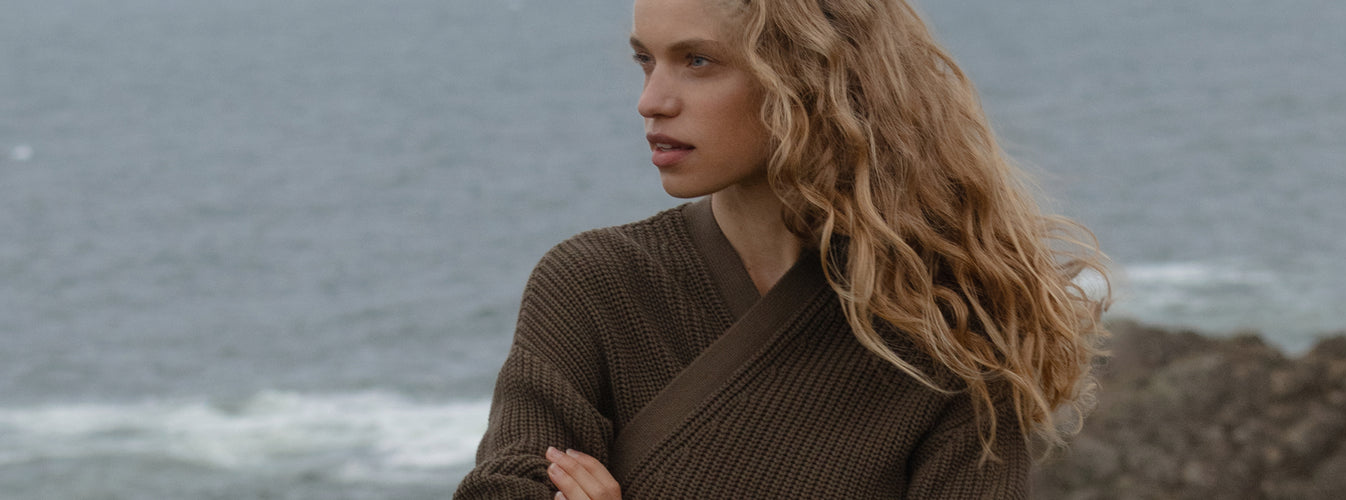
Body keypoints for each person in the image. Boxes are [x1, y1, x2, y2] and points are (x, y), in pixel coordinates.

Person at [455, 0, 1108, 497]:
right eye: (645, 61)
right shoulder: (591, 285)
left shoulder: (946, 327)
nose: (650, 101)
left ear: (809, 77)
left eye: (698, 61)